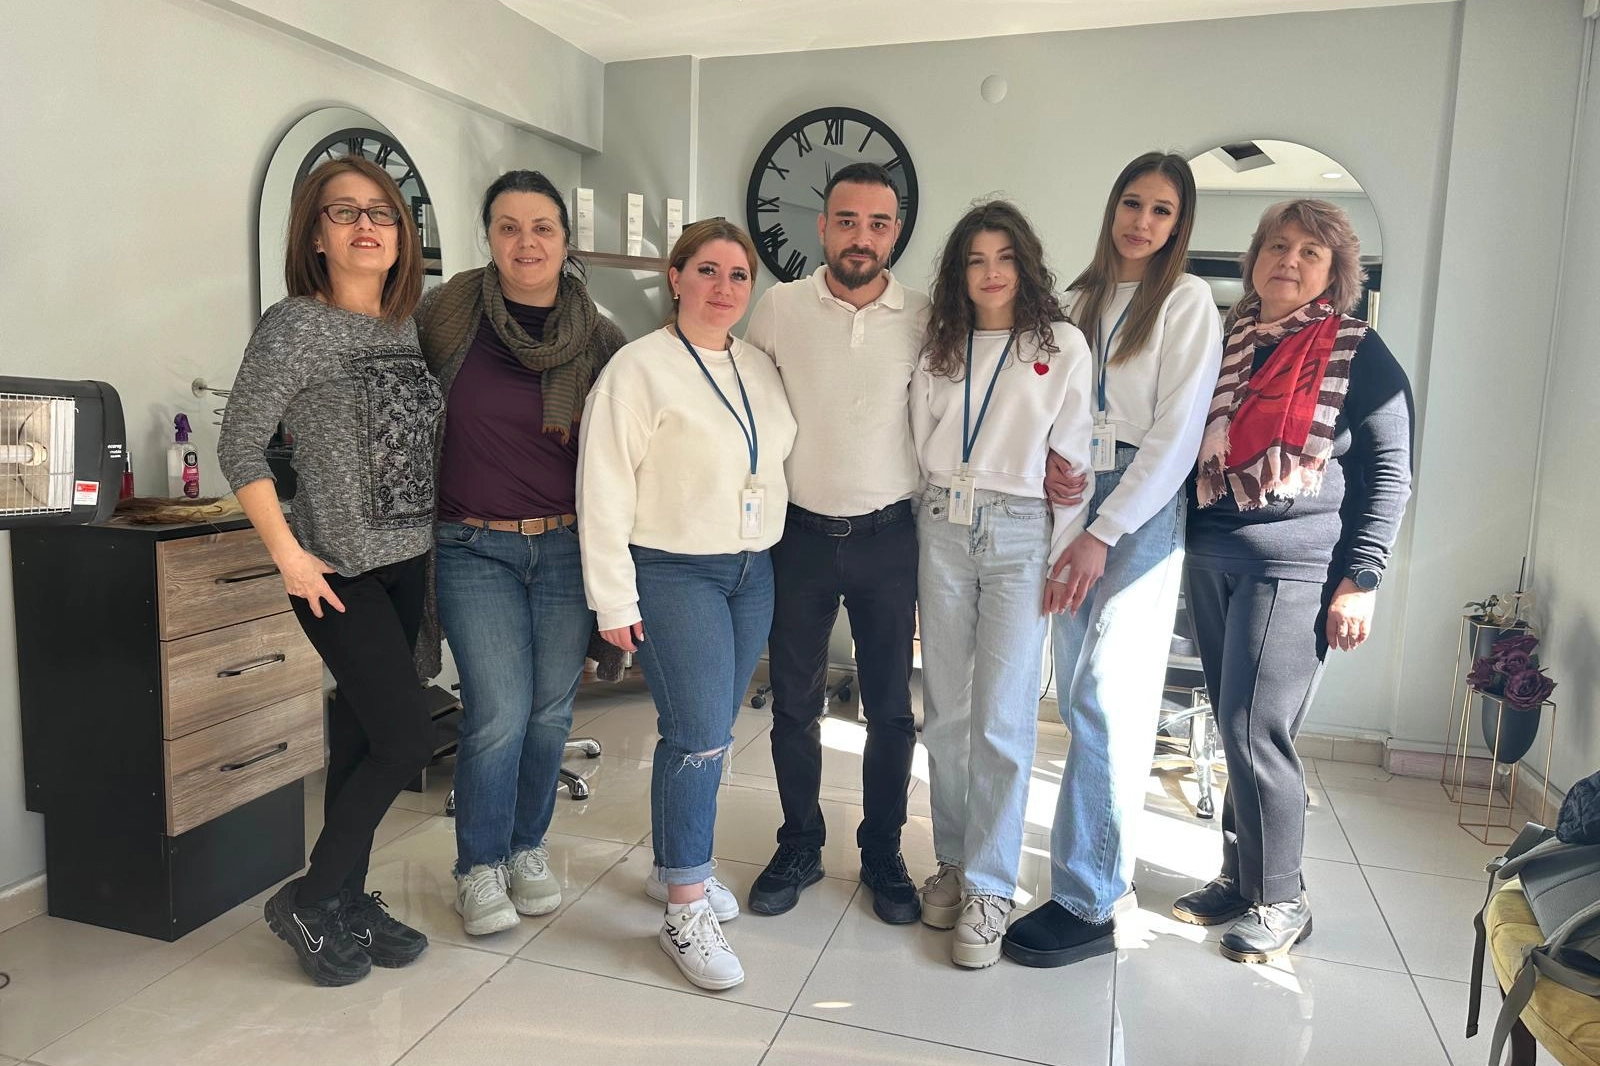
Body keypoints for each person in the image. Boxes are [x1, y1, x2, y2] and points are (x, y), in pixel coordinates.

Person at [219, 155, 441, 986]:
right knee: (405, 738)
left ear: (402, 234)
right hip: (336, 572)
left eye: (381, 212)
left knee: (360, 740)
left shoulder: (404, 325)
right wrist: (288, 554)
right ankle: (310, 901)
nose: (366, 225)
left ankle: (346, 898)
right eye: (344, 211)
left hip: (407, 566)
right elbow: (240, 444)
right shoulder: (295, 326)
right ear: (316, 234)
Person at [1176, 198, 1413, 963]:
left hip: (1295, 562)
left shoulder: (1357, 350)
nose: (1290, 260)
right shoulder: (1224, 339)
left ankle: (1283, 898)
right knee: (1232, 725)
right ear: (1254, 258)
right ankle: (1241, 877)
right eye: (1278, 246)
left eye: (1311, 252)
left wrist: (1362, 579)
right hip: (1211, 552)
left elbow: (1391, 474)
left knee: (1257, 727)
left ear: (1334, 273)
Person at [1001, 153, 1223, 967]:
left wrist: (1105, 529)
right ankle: (1089, 874)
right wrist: (1055, 470)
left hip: (1140, 504)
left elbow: (1176, 433)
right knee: (1075, 693)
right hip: (1075, 491)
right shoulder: (1078, 300)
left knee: (1106, 697)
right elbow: (1052, 404)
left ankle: (1090, 900)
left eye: (1162, 211)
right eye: (1133, 203)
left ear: (1179, 225)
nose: (1143, 222)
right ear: (1113, 207)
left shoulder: (1187, 301)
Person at [577, 219, 797, 990]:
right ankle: (684, 910)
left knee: (710, 732)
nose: (724, 287)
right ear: (675, 277)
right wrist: (612, 598)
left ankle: (677, 866)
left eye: (739, 275)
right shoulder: (638, 369)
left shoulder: (758, 366)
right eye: (708, 270)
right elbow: (602, 487)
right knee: (699, 734)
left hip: (752, 569)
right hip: (674, 570)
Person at [412, 171, 628, 937]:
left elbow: (631, 446)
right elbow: (397, 407)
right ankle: (478, 865)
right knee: (499, 711)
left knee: (548, 713)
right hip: (471, 546)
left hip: (566, 547)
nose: (525, 242)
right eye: (508, 227)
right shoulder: (446, 315)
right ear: (490, 237)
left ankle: (526, 847)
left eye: (542, 227)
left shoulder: (600, 337)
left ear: (565, 240)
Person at [741, 162, 929, 924]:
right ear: (822, 227)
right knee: (794, 704)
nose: (862, 237)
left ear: (895, 233)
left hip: (890, 536)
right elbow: (746, 410)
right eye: (847, 221)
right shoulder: (779, 308)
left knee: (891, 711)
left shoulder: (922, 317)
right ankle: (800, 843)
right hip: (800, 538)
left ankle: (882, 849)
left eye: (878, 224)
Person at [911, 200, 1093, 969]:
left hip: (1021, 529)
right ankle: (954, 861)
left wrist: (1065, 548)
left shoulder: (1062, 345)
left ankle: (991, 885)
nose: (991, 273)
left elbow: (1074, 459)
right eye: (976, 260)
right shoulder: (939, 344)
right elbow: (916, 438)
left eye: (1005, 257)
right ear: (959, 272)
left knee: (1004, 716)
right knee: (946, 709)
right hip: (941, 523)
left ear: (1026, 264)